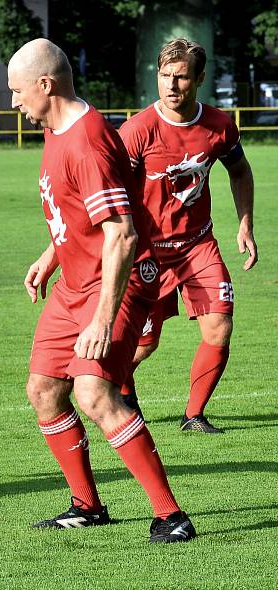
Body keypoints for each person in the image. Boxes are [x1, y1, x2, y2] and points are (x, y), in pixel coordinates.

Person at [8, 38, 195, 543]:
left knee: (94, 392)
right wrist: (52, 255)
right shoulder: (55, 129)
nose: (14, 102)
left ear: (45, 85)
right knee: (44, 390)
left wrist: (102, 320)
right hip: (75, 282)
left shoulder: (87, 140)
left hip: (119, 280)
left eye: (17, 91)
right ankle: (87, 506)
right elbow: (77, 212)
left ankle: (170, 516)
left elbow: (123, 235)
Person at [118, 38, 257, 434]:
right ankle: (123, 392)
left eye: (181, 77)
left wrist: (245, 222)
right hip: (148, 255)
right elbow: (113, 195)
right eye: (165, 76)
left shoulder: (218, 126)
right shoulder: (137, 131)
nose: (172, 85)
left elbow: (241, 171)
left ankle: (193, 415)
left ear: (199, 79)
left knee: (220, 326)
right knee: (144, 344)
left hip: (198, 245)